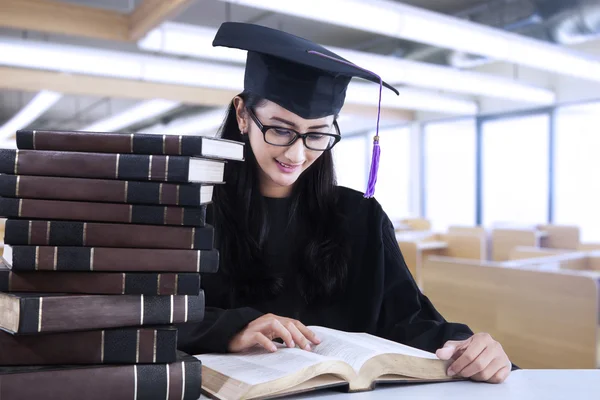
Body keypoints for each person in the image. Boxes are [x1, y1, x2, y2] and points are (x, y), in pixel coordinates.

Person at [177, 22, 513, 384]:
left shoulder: (360, 217)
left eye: (317, 134)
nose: (297, 152)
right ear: (243, 115)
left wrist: (468, 347)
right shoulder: (189, 211)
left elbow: (409, 322)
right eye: (280, 129)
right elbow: (142, 319)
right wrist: (231, 329)